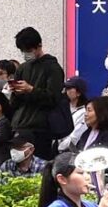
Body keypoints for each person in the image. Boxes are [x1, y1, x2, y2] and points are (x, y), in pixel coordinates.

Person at [10, 27, 66, 160]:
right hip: (20, 125)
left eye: (28, 50)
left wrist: (31, 90)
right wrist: (15, 91)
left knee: (38, 166)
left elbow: (53, 98)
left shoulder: (53, 68)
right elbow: (14, 103)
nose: (25, 54)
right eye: (22, 51)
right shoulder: (23, 68)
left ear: (39, 45)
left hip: (40, 129)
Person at [58, 78, 89, 152]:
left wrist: (59, 148)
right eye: (65, 88)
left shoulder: (84, 111)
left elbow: (75, 137)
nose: (66, 91)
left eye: (69, 88)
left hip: (70, 151)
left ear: (79, 92)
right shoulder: (62, 107)